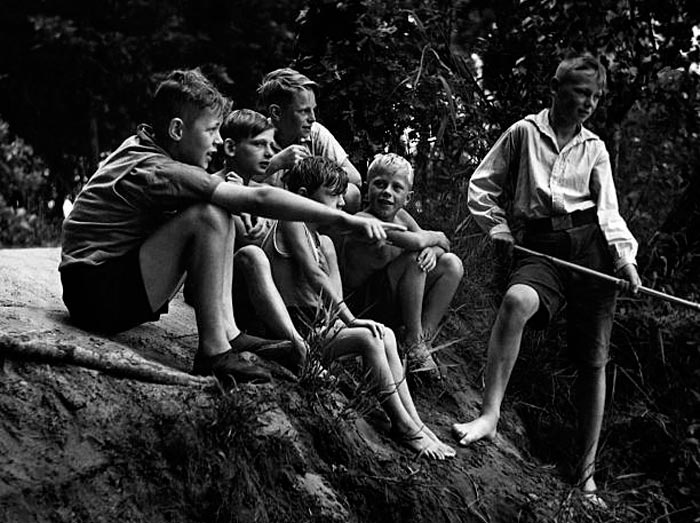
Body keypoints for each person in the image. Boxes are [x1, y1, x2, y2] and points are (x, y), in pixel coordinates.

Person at [59, 68, 399, 385]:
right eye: (210, 131)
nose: (219, 142)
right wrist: (343, 218)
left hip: (96, 284)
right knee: (210, 213)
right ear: (177, 130)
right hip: (96, 295)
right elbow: (259, 198)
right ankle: (213, 352)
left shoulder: (145, 147)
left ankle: (230, 333)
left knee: (214, 209)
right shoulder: (159, 170)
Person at [452, 54, 641, 502]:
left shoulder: (594, 147)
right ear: (555, 87)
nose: (589, 103)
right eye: (581, 93)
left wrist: (625, 260)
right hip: (541, 245)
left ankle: (586, 473)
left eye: (595, 96)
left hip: (591, 250)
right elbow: (482, 185)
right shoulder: (523, 133)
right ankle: (490, 414)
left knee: (593, 359)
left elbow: (608, 211)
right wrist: (497, 229)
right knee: (517, 300)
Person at [262, 156, 455, 459]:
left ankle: (416, 422)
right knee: (369, 337)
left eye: (342, 196)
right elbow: (313, 276)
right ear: (302, 195)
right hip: (292, 335)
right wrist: (352, 321)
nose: (341, 205)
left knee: (387, 335)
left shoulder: (324, 242)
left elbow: (332, 297)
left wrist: (344, 323)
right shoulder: (291, 221)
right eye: (334, 195)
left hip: (318, 329)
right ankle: (404, 425)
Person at [339, 153, 464, 373]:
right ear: (368, 188)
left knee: (452, 265)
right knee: (415, 259)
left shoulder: (403, 217)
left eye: (396, 188)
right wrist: (435, 237)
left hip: (391, 303)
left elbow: (443, 246)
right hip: (362, 307)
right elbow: (418, 240)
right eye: (380, 184)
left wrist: (432, 251)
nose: (387, 192)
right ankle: (413, 341)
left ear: (408, 197)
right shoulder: (364, 221)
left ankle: (423, 340)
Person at [256, 67, 362, 213]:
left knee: (351, 193)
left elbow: (355, 178)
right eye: (303, 111)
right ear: (276, 112)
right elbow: (234, 181)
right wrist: (276, 163)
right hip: (268, 215)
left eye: (313, 110)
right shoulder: (256, 134)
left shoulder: (315, 132)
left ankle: (322, 236)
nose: (312, 118)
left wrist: (314, 172)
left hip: (309, 214)